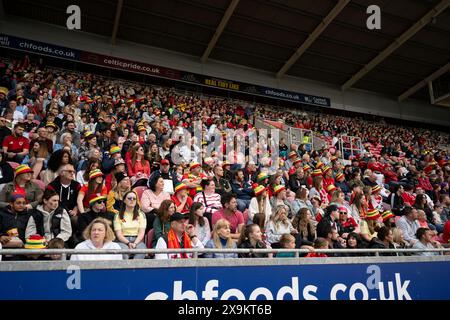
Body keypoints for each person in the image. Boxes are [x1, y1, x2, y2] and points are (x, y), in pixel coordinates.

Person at [113, 190, 147, 259]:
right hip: (122, 241)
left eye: (134, 198)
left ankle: (135, 269)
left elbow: (141, 233)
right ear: (124, 200)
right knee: (124, 253)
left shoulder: (141, 214)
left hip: (137, 240)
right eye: (129, 198)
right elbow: (119, 235)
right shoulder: (118, 215)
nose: (132, 200)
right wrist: (128, 243)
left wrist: (135, 243)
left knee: (142, 251)